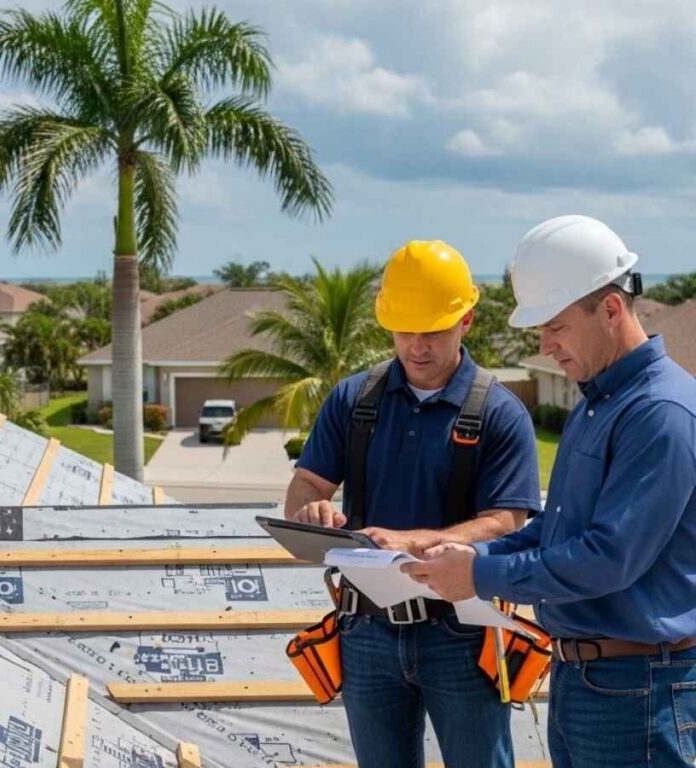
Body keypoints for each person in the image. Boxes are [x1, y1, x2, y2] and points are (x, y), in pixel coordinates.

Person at [404, 215, 696, 767]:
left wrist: (476, 575)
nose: (545, 344)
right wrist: (470, 555)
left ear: (609, 309)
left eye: (555, 326)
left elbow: (608, 559)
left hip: (639, 689)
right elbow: (552, 531)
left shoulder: (660, 413)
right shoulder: (597, 403)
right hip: (593, 681)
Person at [285, 240, 542, 767]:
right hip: (365, 630)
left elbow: (508, 521)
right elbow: (306, 486)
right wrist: (309, 510)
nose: (417, 346)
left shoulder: (499, 412)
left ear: (466, 321)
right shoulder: (355, 400)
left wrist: (414, 541)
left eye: (432, 331)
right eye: (405, 331)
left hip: (461, 631)